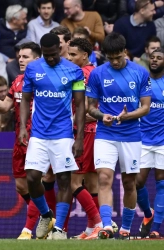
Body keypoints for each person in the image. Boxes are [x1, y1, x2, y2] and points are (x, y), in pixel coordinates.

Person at [19, 33, 85, 240]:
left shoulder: (74, 70)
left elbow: (81, 105)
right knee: (31, 177)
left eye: (53, 54)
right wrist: (22, 127)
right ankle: (46, 215)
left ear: (60, 48)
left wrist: (80, 136)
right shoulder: (33, 68)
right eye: (46, 55)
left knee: (64, 180)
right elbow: (25, 99)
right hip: (38, 133)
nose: (50, 58)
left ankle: (59, 230)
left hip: (63, 133)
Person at [86, 32, 151, 240]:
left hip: (131, 134)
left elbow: (146, 107)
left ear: (125, 52)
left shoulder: (140, 73)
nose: (114, 61)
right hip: (105, 133)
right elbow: (90, 107)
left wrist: (127, 116)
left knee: (129, 182)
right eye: (110, 57)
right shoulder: (97, 74)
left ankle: (125, 229)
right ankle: (107, 226)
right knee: (104, 177)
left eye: (118, 57)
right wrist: (101, 115)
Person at [0, 42, 46, 239]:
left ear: (37, 59)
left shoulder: (45, 81)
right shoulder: (18, 81)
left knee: (34, 182)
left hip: (39, 140)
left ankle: (28, 229)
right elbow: (4, 107)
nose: (20, 60)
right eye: (19, 56)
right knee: (21, 186)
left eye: (25, 57)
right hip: (19, 139)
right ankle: (46, 216)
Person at [67, 38, 102, 239]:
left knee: (74, 181)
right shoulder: (93, 72)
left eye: (73, 55)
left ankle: (98, 223)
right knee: (91, 182)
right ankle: (91, 229)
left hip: (86, 132)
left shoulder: (83, 74)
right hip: (93, 131)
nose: (69, 58)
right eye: (69, 54)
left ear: (85, 56)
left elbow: (89, 109)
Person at [135, 48, 164, 239]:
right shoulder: (141, 82)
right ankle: (147, 214)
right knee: (137, 183)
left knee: (162, 183)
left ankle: (156, 230)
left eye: (159, 58)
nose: (154, 60)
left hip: (162, 141)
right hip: (142, 140)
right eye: (152, 58)